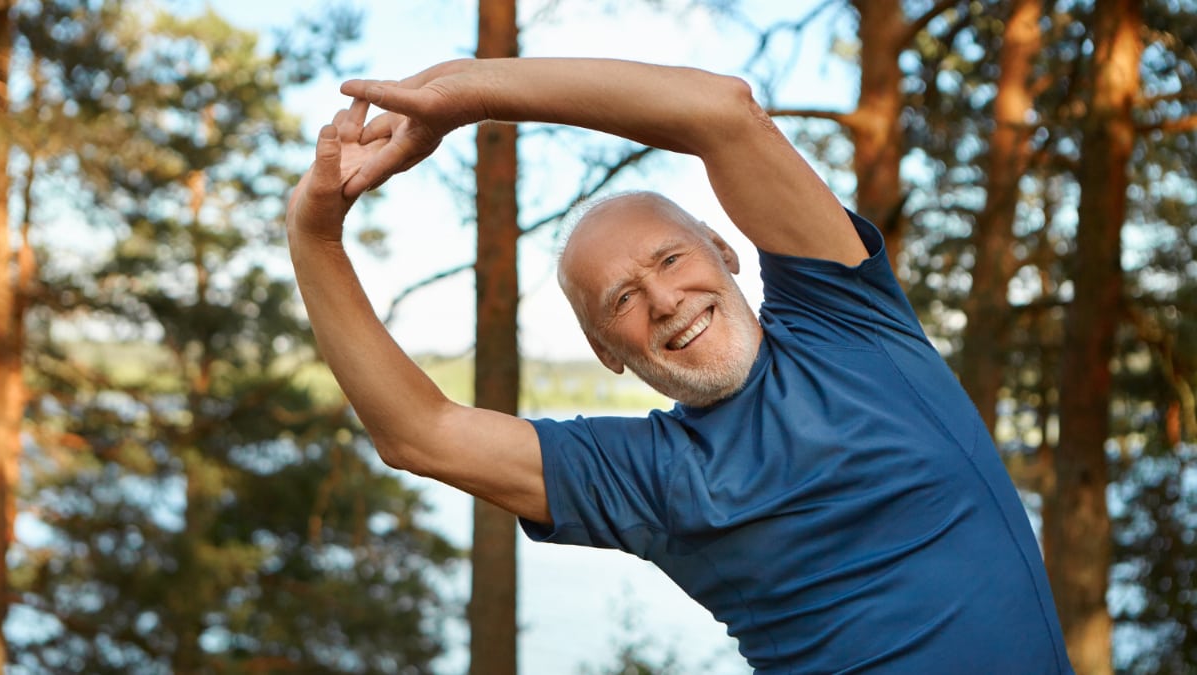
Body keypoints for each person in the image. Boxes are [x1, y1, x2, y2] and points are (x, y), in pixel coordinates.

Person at [286, 57, 1074, 674]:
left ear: (726, 251)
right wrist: (313, 235)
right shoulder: (649, 476)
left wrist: (466, 93)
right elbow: (420, 432)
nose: (664, 298)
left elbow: (720, 112)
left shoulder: (850, 323)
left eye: (671, 257)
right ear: (606, 352)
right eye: (622, 298)